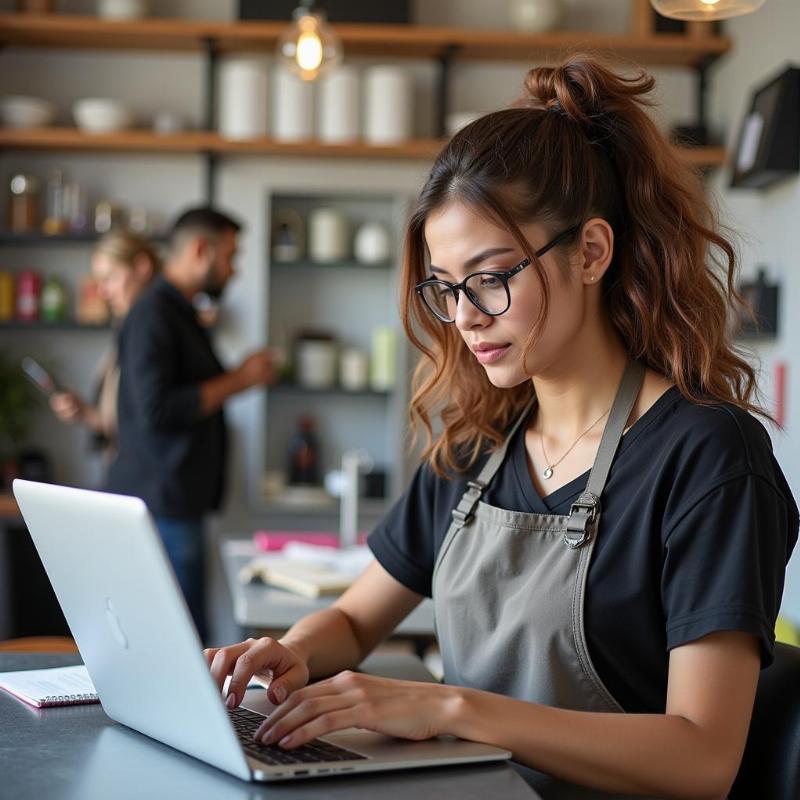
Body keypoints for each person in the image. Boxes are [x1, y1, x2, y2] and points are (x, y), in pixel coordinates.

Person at [204, 55, 799, 798]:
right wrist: (288, 652)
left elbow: (701, 759)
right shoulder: (479, 445)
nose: (464, 318)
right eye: (447, 288)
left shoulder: (708, 457)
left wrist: (452, 707)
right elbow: (356, 621)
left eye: (491, 278)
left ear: (590, 252)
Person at [106, 207, 275, 644]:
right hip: (163, 503)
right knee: (183, 640)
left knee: (182, 635)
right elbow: (157, 409)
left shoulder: (179, 311)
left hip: (176, 500)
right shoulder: (154, 313)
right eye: (230, 257)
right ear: (202, 249)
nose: (234, 270)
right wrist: (241, 379)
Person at [50, 230, 160, 463]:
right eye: (99, 281)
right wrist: (85, 413)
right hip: (125, 470)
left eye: (109, 278)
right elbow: (124, 421)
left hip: (146, 478)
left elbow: (156, 416)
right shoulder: (128, 326)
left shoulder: (157, 327)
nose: (102, 291)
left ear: (142, 267)